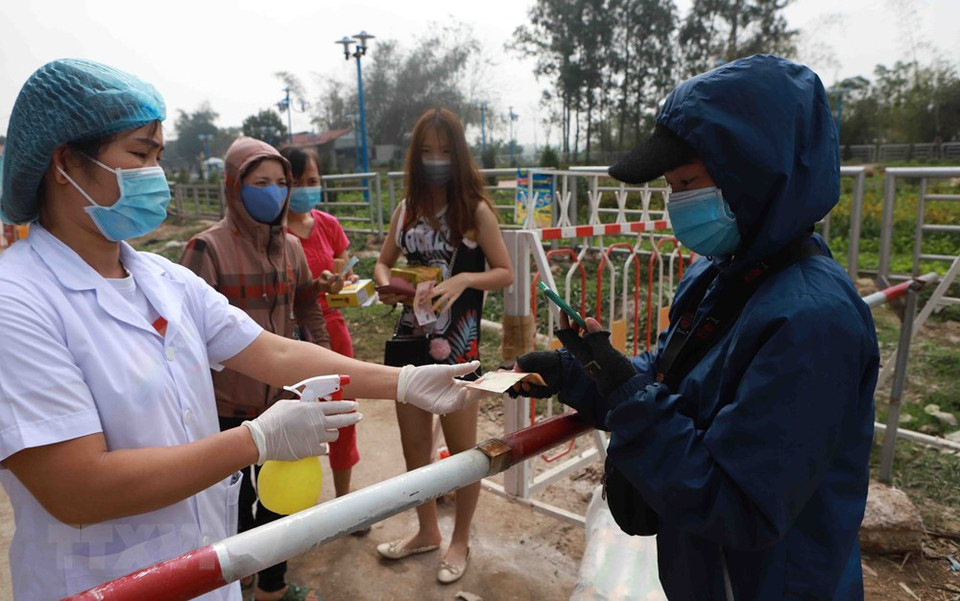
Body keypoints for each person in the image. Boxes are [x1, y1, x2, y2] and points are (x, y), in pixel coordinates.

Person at [0, 58, 479, 601]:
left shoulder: (161, 279)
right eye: (138, 154)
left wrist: (403, 381)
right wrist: (254, 440)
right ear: (64, 162)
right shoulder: (16, 301)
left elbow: (273, 353)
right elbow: (76, 488)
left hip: (203, 571)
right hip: (100, 584)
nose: (156, 174)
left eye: (158, 157)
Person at [512, 55, 880, 600]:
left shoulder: (812, 322)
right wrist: (580, 371)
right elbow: (669, 383)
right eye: (670, 186)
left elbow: (739, 504)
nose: (676, 203)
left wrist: (626, 391)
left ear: (754, 177)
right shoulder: (724, 274)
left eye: (687, 182)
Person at [373, 107, 514, 584]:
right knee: (416, 452)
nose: (435, 160)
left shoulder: (474, 209)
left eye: (445, 150)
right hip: (411, 340)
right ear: (416, 156)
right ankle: (427, 531)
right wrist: (388, 283)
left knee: (462, 452)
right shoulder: (406, 209)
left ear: (459, 154)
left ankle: (460, 540)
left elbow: (505, 271)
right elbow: (382, 264)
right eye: (427, 151)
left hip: (459, 347)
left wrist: (465, 279)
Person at [280, 145, 365, 516]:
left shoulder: (328, 224)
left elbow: (343, 271)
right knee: (290, 419)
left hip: (332, 333)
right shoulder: (271, 231)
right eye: (295, 182)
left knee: (342, 416)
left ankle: (343, 505)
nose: (305, 188)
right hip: (286, 337)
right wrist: (315, 284)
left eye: (312, 181)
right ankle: (288, 506)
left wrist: (345, 282)